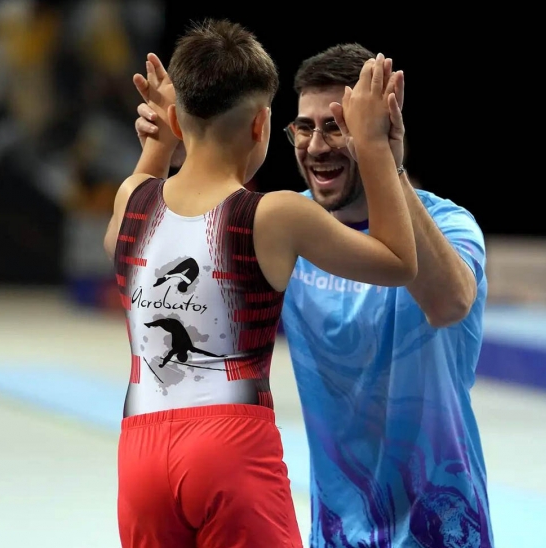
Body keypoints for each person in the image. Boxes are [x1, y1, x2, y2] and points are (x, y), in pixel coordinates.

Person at [134, 41, 492, 547]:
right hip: (336, 533)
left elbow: (449, 303)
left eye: (338, 126)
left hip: (443, 528)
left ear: (379, 126)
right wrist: (178, 133)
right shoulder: (283, 227)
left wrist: (383, 158)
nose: (317, 145)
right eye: (305, 127)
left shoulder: (449, 223)